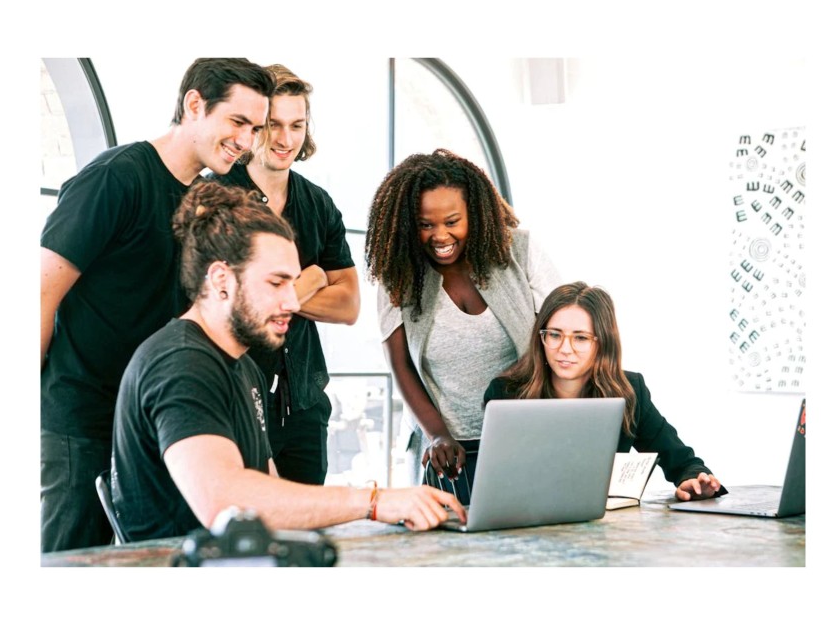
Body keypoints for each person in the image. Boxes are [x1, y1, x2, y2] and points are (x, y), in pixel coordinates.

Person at [110, 181, 464, 540]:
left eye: (293, 284)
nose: (294, 303)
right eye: (276, 284)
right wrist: (373, 502)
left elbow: (272, 494)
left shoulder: (244, 367)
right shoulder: (181, 363)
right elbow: (226, 503)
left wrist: (383, 513)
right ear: (221, 280)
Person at [40, 58, 276, 552]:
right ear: (194, 104)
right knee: (72, 562)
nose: (248, 141)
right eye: (237, 122)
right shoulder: (114, 179)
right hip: (85, 418)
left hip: (158, 420)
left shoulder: (214, 197)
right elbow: (40, 294)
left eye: (256, 128)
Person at [365, 149, 562, 485]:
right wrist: (438, 435)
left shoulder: (520, 251)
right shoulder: (397, 273)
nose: (440, 236)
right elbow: (401, 366)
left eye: (452, 222)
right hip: (444, 449)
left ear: (475, 213)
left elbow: (561, 338)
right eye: (426, 225)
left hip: (523, 436)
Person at [210, 63, 359, 486]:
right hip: (235, 399)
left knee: (305, 538)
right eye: (273, 124)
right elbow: (226, 302)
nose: (285, 139)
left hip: (304, 405)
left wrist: (275, 292)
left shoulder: (319, 204)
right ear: (254, 126)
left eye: (297, 125)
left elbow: (349, 305)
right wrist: (311, 279)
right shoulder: (217, 197)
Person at [484, 282, 724, 501]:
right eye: (555, 335)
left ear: (602, 343)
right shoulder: (506, 393)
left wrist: (694, 479)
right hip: (523, 522)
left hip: (602, 528)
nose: (565, 349)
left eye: (580, 338)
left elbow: (682, 461)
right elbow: (495, 479)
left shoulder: (629, 391)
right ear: (541, 338)